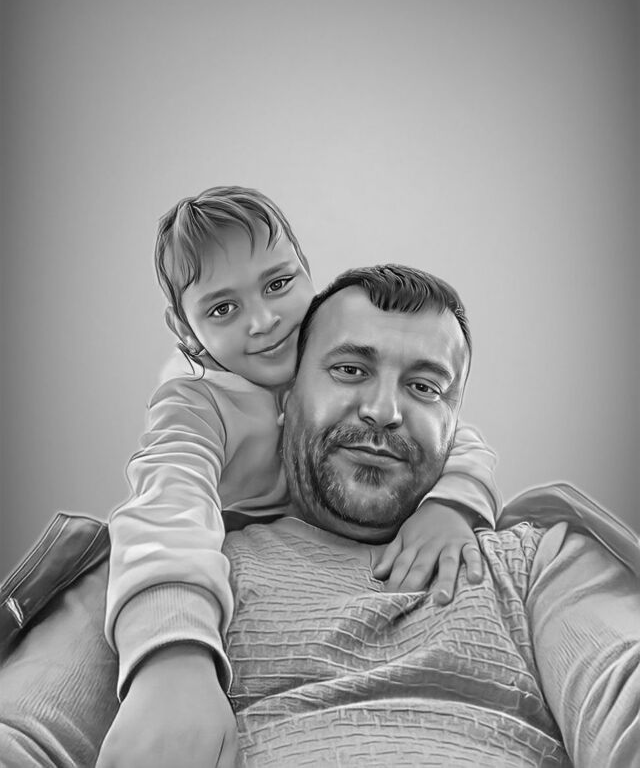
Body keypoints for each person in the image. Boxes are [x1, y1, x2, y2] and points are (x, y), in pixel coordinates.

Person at [1, 265, 638, 768]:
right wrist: (170, 658)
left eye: (424, 387)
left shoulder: (539, 562)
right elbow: (20, 734)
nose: (384, 410)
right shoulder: (154, 581)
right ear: (285, 398)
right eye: (349, 369)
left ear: (454, 423)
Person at [105, 187, 500, 709]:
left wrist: (448, 507)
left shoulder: (327, 359)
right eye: (223, 308)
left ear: (307, 274)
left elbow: (455, 437)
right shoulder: (195, 405)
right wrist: (172, 657)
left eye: (278, 284)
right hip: (248, 566)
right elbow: (168, 505)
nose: (263, 321)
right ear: (184, 327)